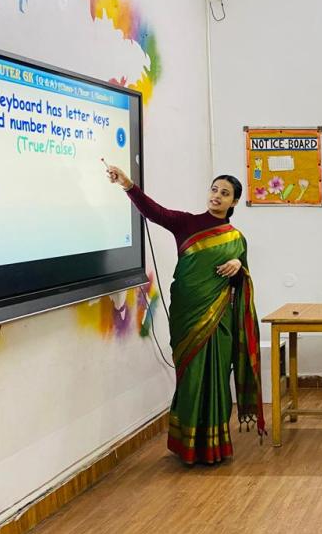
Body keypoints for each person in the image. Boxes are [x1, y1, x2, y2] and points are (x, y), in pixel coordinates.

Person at [106, 164, 264, 465]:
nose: (216, 196)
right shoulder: (186, 223)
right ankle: (188, 447)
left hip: (219, 320)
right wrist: (128, 185)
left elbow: (243, 284)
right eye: (214, 190)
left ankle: (216, 446)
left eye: (225, 193)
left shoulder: (236, 239)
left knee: (217, 377)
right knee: (191, 378)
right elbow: (155, 212)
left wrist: (238, 267)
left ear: (234, 201)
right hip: (187, 315)